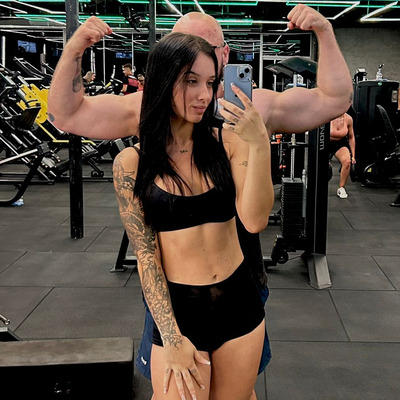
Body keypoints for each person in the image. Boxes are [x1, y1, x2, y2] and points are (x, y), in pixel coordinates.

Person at [47, 5, 352, 399]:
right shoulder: (144, 113)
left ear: (223, 55)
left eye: (207, 58)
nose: (202, 91)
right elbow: (66, 114)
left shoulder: (252, 107)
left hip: (241, 281)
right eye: (186, 62)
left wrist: (324, 30)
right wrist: (74, 47)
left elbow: (334, 99)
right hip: (176, 296)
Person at [113, 32, 273, 400]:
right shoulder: (131, 164)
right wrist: (171, 336)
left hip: (239, 302)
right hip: (180, 312)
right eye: (191, 81)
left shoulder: (227, 143)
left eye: (211, 83)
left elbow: (254, 221)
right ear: (163, 81)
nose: (204, 95)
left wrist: (259, 143)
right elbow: (147, 258)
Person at [329, 112, 355, 198]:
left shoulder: (348, 119)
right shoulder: (327, 116)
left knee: (347, 162)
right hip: (325, 142)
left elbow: (351, 137)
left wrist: (353, 156)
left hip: (340, 144)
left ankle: (341, 187)